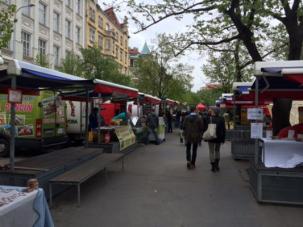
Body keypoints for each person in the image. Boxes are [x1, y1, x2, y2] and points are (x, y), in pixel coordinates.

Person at [205, 107, 226, 172]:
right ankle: (217, 165)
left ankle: (213, 166)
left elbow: (206, 128)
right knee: (217, 150)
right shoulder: (222, 119)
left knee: (211, 151)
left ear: (213, 112)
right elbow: (224, 129)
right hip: (219, 137)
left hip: (211, 137)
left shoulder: (209, 118)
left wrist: (206, 138)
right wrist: (223, 139)